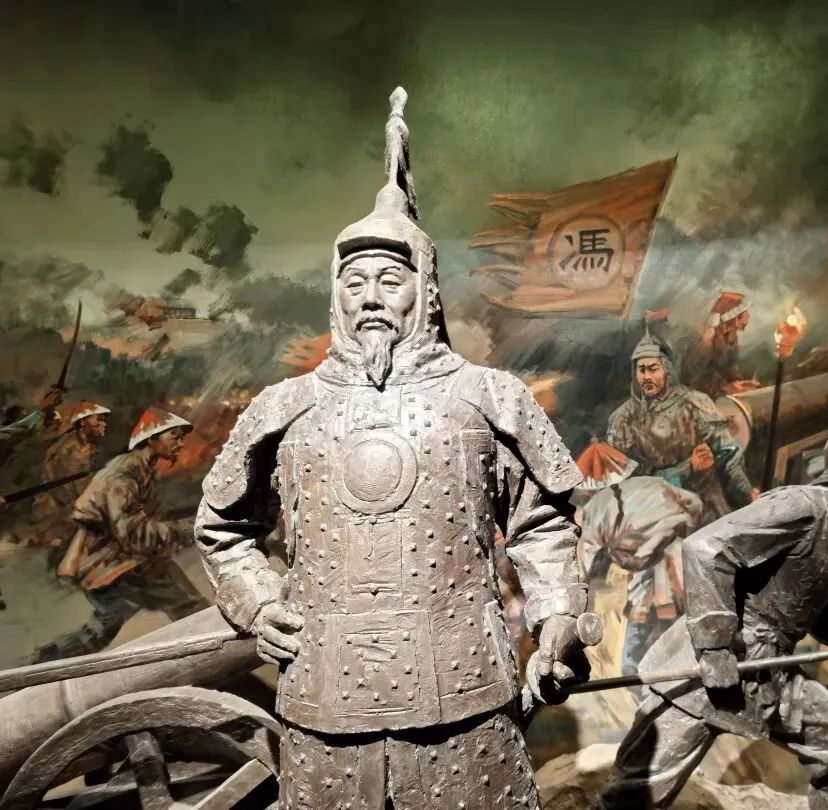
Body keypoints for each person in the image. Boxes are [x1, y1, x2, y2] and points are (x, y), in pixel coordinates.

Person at [195, 87, 592, 810]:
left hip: (467, 701)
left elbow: (541, 524)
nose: (371, 296)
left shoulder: (489, 397)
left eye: (390, 279)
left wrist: (558, 615)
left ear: (426, 290)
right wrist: (256, 603)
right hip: (324, 703)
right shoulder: (285, 408)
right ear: (335, 296)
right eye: (355, 282)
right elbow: (223, 528)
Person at [596, 425, 828, 810]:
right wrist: (716, 652)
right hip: (700, 675)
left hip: (767, 671)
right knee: (633, 799)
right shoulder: (802, 506)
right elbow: (706, 548)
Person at [30, 406, 206, 663]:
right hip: (111, 563)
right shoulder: (125, 474)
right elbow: (132, 534)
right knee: (192, 608)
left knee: (103, 628)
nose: (180, 444)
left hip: (113, 560)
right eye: (174, 437)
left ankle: (44, 661)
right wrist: (189, 528)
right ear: (152, 439)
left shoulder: (140, 469)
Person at [576, 439, 704, 677]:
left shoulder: (593, 508)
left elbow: (588, 556)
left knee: (639, 644)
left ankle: (642, 676)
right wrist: (688, 530)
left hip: (651, 566)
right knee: (679, 622)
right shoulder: (654, 483)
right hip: (674, 559)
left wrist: (584, 593)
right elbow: (695, 503)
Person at [607, 327, 755, 522]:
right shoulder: (622, 419)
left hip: (706, 505)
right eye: (641, 369)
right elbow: (627, 482)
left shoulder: (696, 403)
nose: (647, 376)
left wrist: (748, 496)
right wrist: (686, 468)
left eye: (653, 368)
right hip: (655, 512)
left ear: (667, 370)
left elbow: (729, 457)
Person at [29, 401, 110, 556]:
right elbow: (63, 487)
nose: (104, 424)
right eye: (99, 419)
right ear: (83, 422)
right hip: (58, 508)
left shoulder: (94, 447)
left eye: (104, 420)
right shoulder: (67, 448)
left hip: (75, 504)